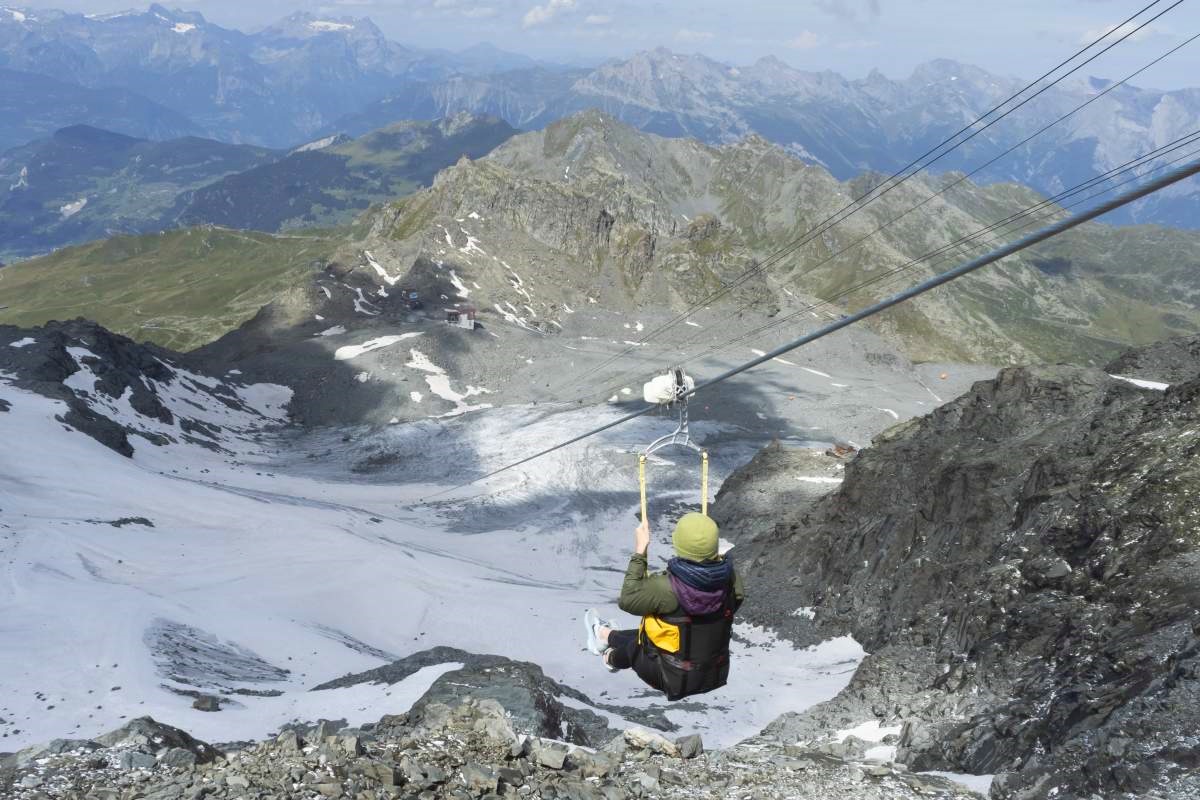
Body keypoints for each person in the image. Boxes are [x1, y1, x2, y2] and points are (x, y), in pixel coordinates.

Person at [585, 512, 745, 700]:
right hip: (713, 674)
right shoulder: (731, 580)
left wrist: (640, 551)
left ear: (679, 544)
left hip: (673, 679)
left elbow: (627, 600)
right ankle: (604, 634)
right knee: (657, 635)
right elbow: (734, 603)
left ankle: (609, 658)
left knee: (637, 645)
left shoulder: (667, 587)